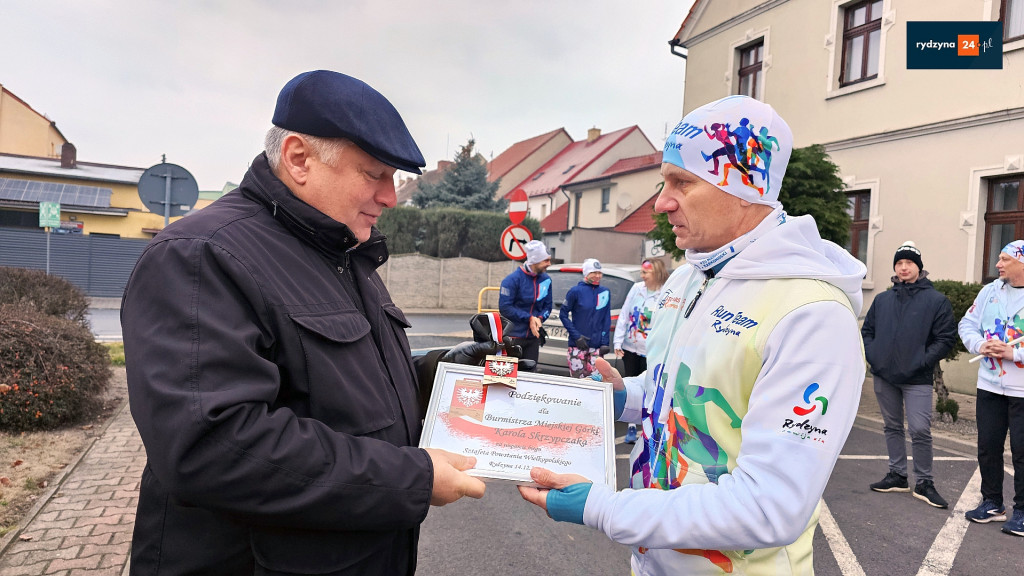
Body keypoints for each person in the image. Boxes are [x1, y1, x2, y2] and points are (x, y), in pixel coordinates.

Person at [121, 70, 491, 576]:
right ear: (299, 159)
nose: (391, 196)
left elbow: (337, 383)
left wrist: (439, 375)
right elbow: (213, 446)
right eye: (374, 174)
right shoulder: (202, 255)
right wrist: (411, 479)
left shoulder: (341, 253)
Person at [518, 95, 867, 575]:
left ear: (745, 187)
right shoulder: (690, 276)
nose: (662, 203)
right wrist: (625, 397)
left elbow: (770, 507)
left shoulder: (813, 315)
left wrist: (603, 508)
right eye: (665, 181)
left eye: (681, 182)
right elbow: (679, 391)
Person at [862, 241, 957, 508]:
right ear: (895, 267)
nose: (904, 268)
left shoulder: (936, 300)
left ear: (919, 268)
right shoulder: (882, 300)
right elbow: (867, 331)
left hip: (917, 378)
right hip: (884, 376)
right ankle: (898, 475)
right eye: (899, 263)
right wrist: (875, 357)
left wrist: (922, 361)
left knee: (919, 429)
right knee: (891, 426)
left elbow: (945, 337)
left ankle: (924, 482)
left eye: (909, 263)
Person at [957, 240, 1024, 537]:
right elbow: (966, 324)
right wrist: (980, 344)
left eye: (1004, 259)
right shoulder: (989, 291)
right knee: (988, 448)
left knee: (1022, 453)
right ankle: (992, 503)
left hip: (1022, 390)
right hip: (990, 385)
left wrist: (1014, 354)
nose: (998, 264)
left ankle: (1022, 511)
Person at [614, 258, 669, 443]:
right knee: (629, 383)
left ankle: (648, 428)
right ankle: (631, 428)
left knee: (650, 388)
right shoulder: (637, 288)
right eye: (642, 272)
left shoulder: (666, 293)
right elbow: (624, 314)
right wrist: (618, 342)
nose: (642, 275)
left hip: (650, 351)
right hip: (631, 347)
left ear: (657, 273)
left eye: (646, 272)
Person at [498, 239, 553, 369]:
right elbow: (505, 308)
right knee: (507, 377)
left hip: (532, 339)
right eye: (546, 261)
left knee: (529, 377)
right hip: (513, 337)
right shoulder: (512, 280)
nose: (549, 264)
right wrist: (529, 318)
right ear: (535, 261)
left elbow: (547, 306)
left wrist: (539, 319)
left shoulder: (546, 280)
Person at [560, 258, 612, 378]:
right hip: (577, 346)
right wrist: (576, 336)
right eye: (594, 273)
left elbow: (606, 318)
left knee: (595, 382)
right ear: (586, 273)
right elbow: (563, 315)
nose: (598, 276)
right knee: (578, 382)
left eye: (600, 273)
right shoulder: (575, 291)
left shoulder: (604, 292)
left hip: (597, 347)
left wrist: (605, 342)